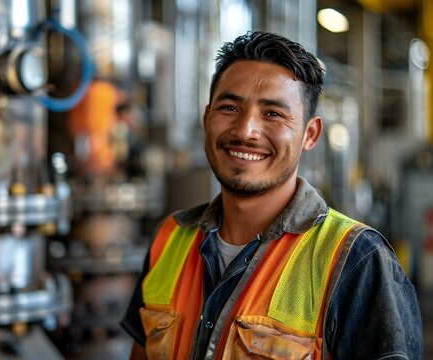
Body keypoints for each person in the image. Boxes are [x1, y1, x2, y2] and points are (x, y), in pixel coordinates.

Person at [121, 31, 423, 360]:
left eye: (273, 114)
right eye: (229, 107)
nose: (245, 130)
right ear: (207, 118)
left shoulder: (356, 260)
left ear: (310, 134)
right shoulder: (170, 238)